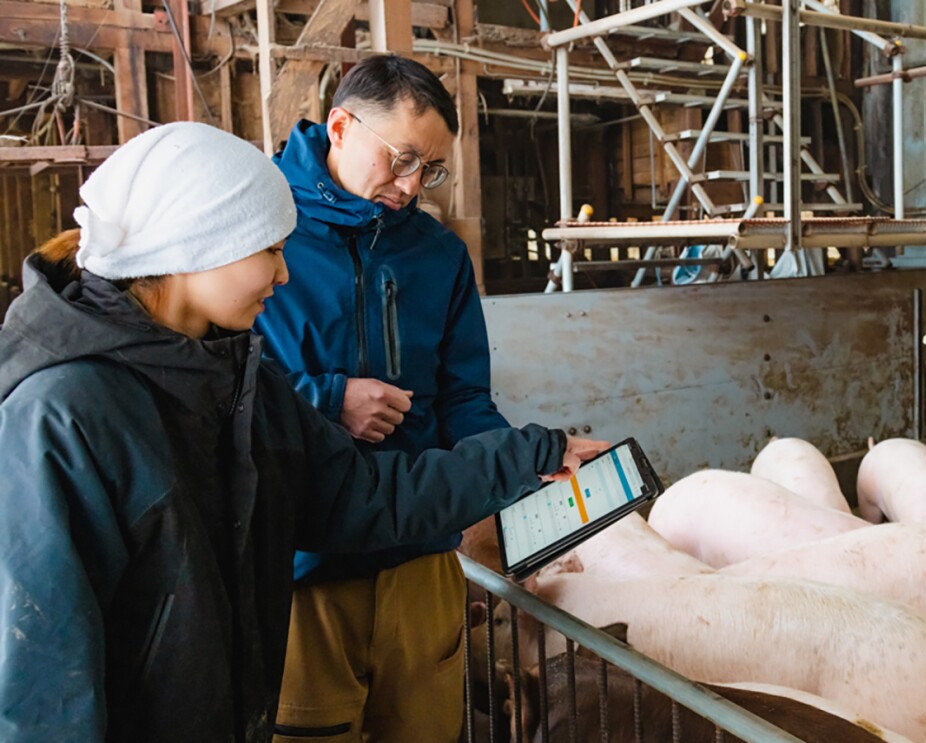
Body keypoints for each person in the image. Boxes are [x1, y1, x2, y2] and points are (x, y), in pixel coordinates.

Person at [0, 121, 606, 742]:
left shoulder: (238, 380)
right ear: (198, 247)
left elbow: (362, 496)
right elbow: (43, 683)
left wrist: (532, 453)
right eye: (270, 250)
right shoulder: (64, 414)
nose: (284, 275)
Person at [254, 55, 513, 741]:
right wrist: (326, 398)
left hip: (422, 559)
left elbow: (464, 398)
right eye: (401, 159)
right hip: (303, 563)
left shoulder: (439, 255)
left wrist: (521, 464)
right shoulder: (257, 230)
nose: (410, 187)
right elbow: (219, 387)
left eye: (430, 171)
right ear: (340, 126)